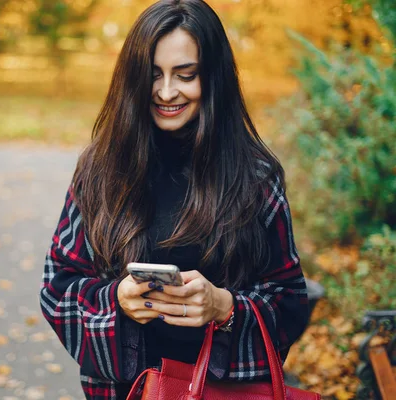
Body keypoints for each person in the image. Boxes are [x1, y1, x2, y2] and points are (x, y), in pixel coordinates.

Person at [39, 1, 309, 399]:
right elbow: (58, 287)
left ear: (212, 78)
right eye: (153, 76)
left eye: (186, 75)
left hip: (225, 393)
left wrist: (224, 307)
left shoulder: (256, 179)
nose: (166, 92)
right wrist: (117, 300)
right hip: (121, 391)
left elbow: (290, 302)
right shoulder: (101, 170)